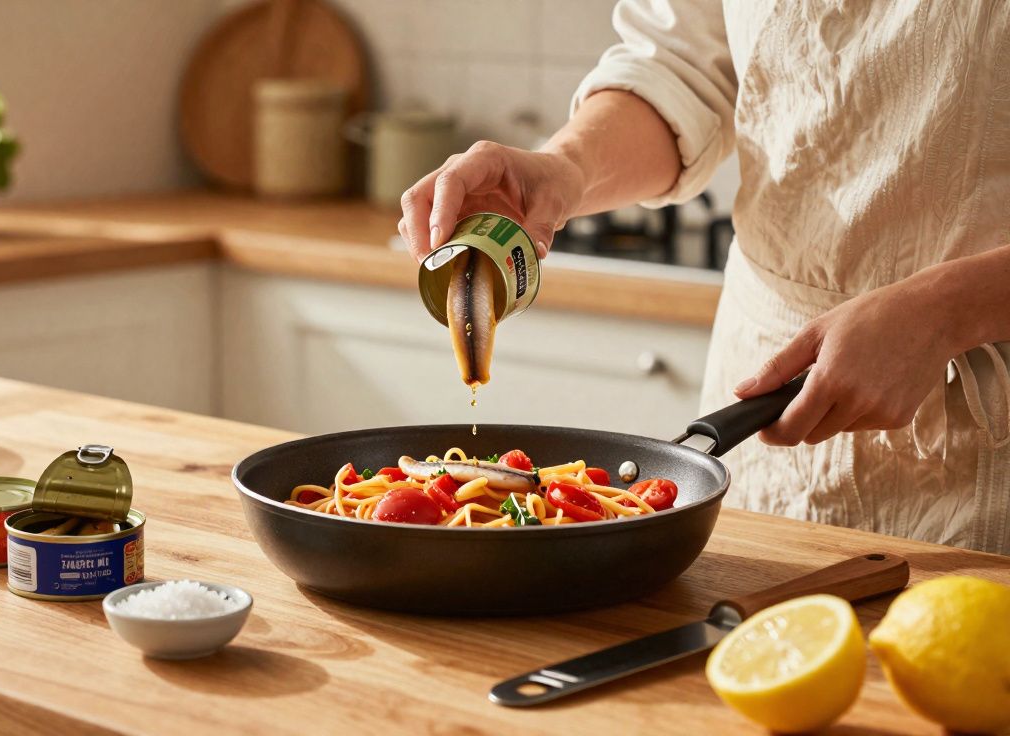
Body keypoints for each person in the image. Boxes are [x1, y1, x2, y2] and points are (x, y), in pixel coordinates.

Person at [398, 2, 1010, 554]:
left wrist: (944, 310)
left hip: (986, 435)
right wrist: (567, 165)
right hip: (768, 383)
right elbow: (681, 67)